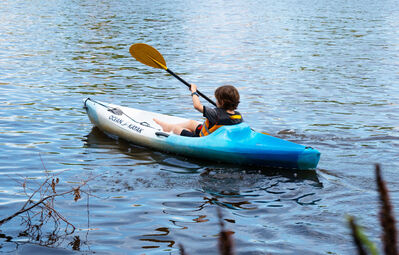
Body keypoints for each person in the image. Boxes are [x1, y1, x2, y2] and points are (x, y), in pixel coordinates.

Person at [153, 84, 243, 137]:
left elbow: (197, 106)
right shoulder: (238, 116)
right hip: (215, 136)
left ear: (222, 102)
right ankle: (169, 127)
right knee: (191, 123)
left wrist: (194, 91)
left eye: (216, 99)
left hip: (202, 140)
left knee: (177, 129)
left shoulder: (215, 113)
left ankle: (169, 128)